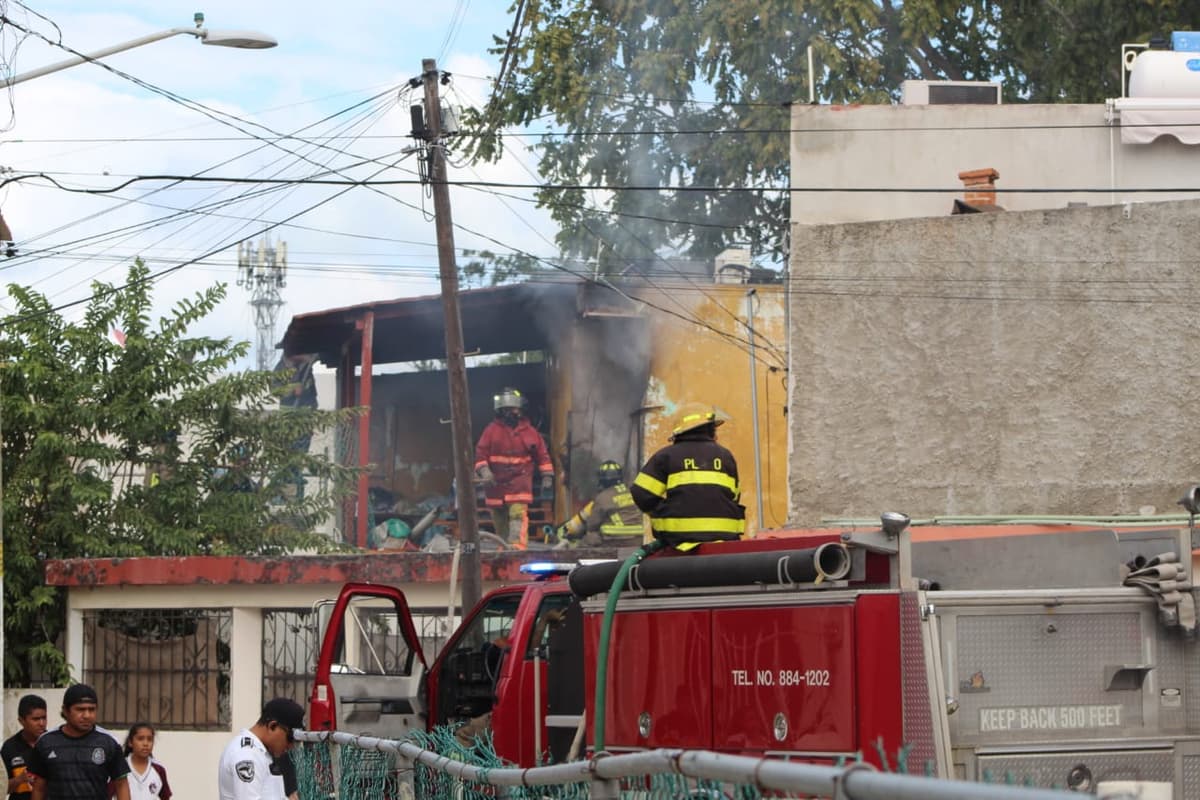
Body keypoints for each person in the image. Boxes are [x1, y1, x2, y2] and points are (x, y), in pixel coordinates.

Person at [630, 402, 745, 551]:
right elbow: (734, 496)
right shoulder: (726, 456)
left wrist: (664, 512)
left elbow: (641, 493)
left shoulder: (667, 456)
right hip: (725, 538)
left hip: (678, 537)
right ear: (708, 430)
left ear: (680, 432)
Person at [473, 387, 554, 550]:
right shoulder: (491, 431)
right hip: (496, 485)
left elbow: (542, 454)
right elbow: (480, 454)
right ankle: (503, 546)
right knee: (499, 518)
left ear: (521, 409)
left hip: (519, 483)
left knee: (517, 515)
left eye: (513, 409)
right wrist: (485, 471)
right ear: (499, 410)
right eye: (506, 409)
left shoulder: (530, 432)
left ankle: (517, 546)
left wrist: (547, 475)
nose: (510, 412)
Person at [27, 684, 129, 800]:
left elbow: (121, 784)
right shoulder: (45, 742)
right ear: (65, 710)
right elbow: (39, 788)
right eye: (80, 709)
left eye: (91, 709)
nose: (87, 715)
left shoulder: (109, 742)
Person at [217, 698, 304, 800]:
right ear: (273, 726)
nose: (291, 746)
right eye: (290, 738)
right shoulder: (246, 755)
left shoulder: (261, 752)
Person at [556, 460, 643, 546]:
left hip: (614, 541)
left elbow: (592, 525)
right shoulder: (633, 493)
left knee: (590, 537)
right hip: (639, 540)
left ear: (602, 480)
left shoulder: (602, 498)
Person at [2, 695, 47, 800]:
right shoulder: (9, 747)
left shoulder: (53, 743)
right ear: (21, 720)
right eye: (36, 719)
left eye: (44, 718)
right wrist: (19, 779)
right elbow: (2, 787)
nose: (42, 723)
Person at [116, 724, 170, 800]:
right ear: (130, 742)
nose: (145, 743)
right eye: (140, 739)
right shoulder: (119, 767)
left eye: (150, 739)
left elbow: (165, 797)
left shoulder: (159, 770)